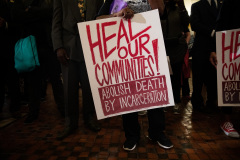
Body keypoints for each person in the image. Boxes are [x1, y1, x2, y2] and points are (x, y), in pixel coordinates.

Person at [96, 0, 173, 151]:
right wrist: (117, 15)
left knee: (154, 94)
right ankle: (132, 136)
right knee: (128, 96)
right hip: (125, 53)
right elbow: (97, 19)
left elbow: (162, 14)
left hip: (150, 50)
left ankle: (157, 133)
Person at [51, 0, 104, 140]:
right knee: (69, 88)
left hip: (91, 47)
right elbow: (56, 23)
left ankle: (89, 118)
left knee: (89, 87)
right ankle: (70, 122)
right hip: (68, 49)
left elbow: (102, 18)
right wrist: (58, 47)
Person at [209, 0, 240, 138]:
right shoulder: (230, 2)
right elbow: (221, 24)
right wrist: (215, 49)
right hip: (232, 45)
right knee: (230, 80)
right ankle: (226, 120)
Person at [190, 0, 221, 112]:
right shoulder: (196, 6)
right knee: (198, 77)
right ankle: (197, 103)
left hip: (217, 46)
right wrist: (211, 32)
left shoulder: (221, 5)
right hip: (201, 47)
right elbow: (194, 24)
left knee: (213, 77)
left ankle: (212, 102)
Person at [162, 0, 190, 114]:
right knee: (163, 77)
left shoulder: (179, 10)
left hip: (177, 49)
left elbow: (186, 25)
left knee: (176, 77)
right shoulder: (157, 10)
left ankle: (176, 102)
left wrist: (182, 7)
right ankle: (164, 102)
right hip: (161, 47)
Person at [0, 0, 21, 119]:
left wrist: (6, 24)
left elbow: (18, 26)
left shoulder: (9, 5)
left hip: (8, 51)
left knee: (12, 80)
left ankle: (15, 108)